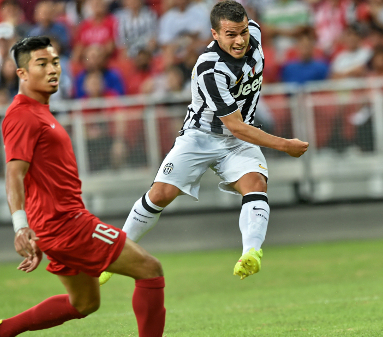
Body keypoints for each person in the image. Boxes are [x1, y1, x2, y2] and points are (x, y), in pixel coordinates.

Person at [0, 36, 197, 337]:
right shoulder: (22, 115)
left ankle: (2, 331)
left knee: (84, 303)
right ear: (21, 72)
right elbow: (14, 175)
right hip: (67, 224)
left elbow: (35, 178)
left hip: (53, 226)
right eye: (41, 64)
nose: (52, 69)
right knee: (150, 270)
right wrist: (22, 226)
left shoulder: (39, 111)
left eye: (55, 62)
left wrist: (36, 230)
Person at [99, 1, 308, 285]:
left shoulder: (255, 34)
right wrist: (285, 145)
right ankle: (117, 253)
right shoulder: (211, 68)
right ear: (215, 34)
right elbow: (235, 126)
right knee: (160, 194)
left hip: (237, 141)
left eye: (243, 32)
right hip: (201, 137)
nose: (239, 40)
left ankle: (251, 253)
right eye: (231, 34)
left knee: (256, 184)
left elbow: (238, 130)